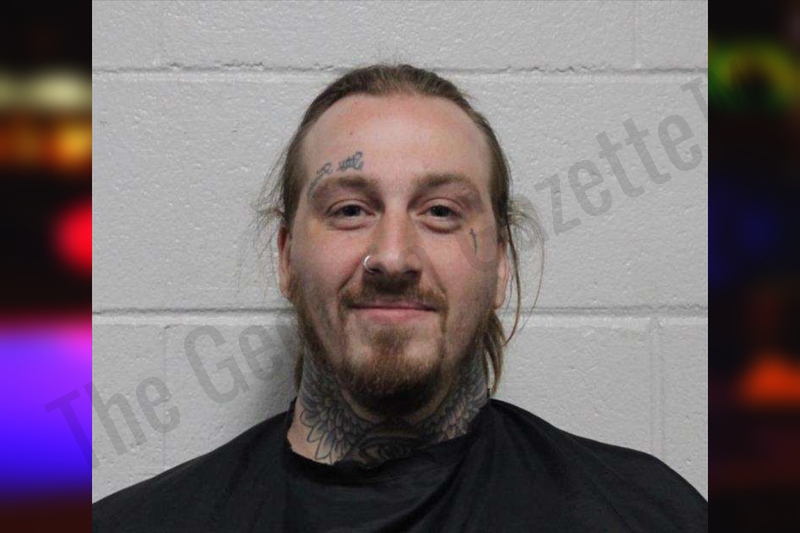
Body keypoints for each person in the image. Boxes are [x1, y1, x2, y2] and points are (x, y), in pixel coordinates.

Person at [92, 64, 707, 532]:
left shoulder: (649, 514)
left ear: (501, 265)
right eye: (349, 210)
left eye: (440, 212)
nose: (392, 256)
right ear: (286, 258)